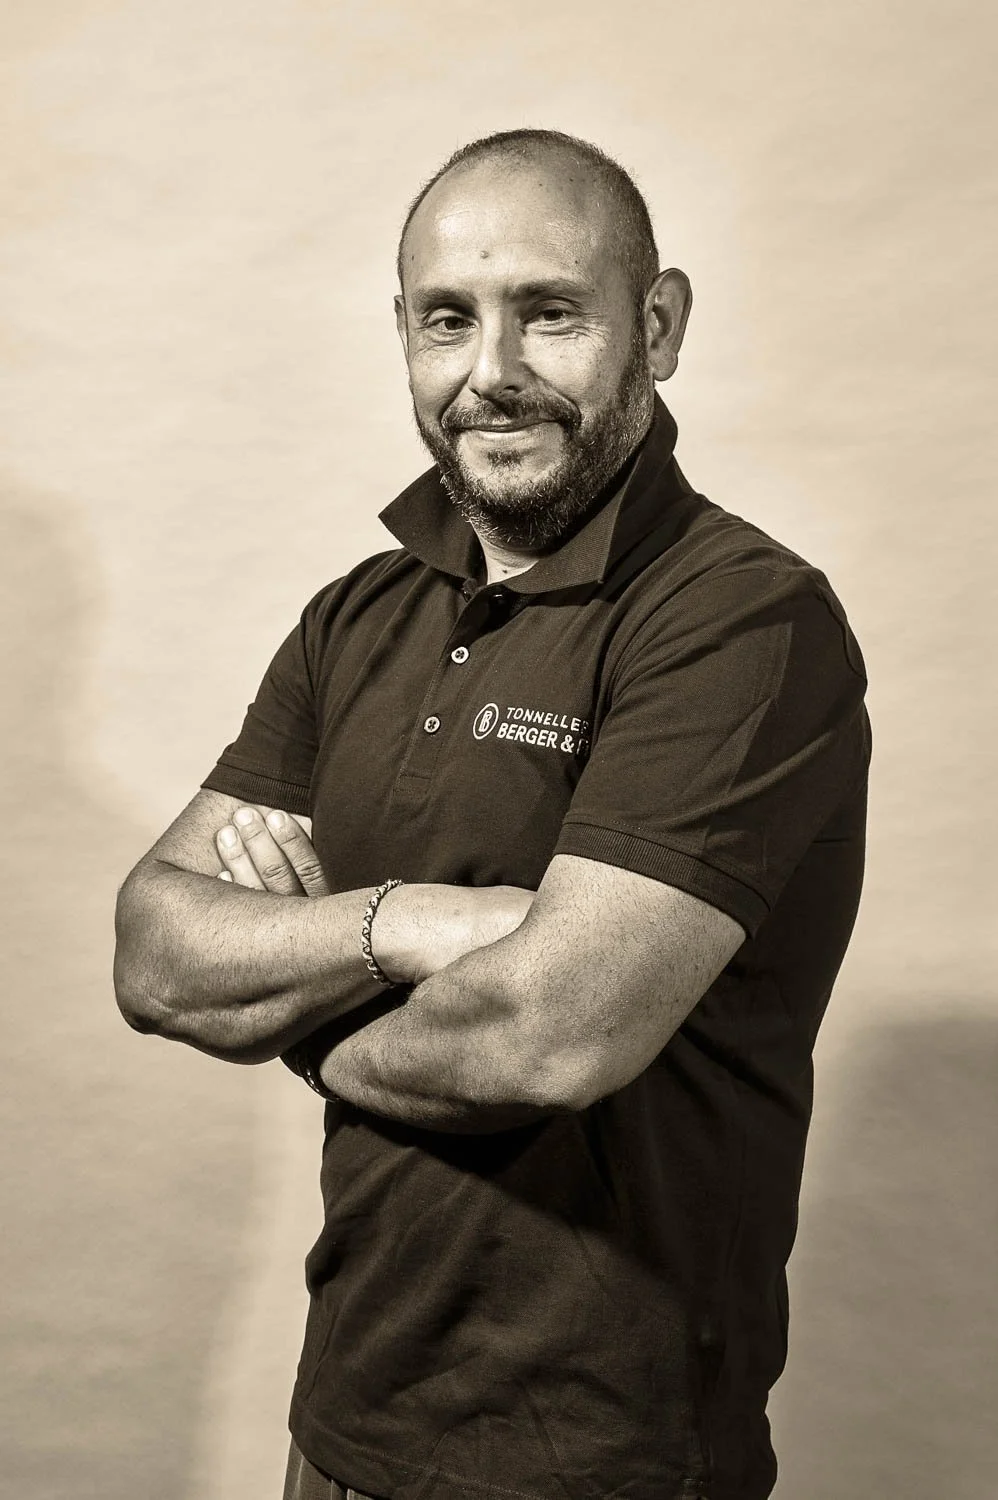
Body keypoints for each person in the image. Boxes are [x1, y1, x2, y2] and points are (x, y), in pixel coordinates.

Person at [114, 128, 870, 1500]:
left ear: (658, 323)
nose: (490, 372)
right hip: (343, 1420)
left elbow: (548, 1033)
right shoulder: (357, 615)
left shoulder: (740, 622)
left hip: (605, 1457)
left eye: (551, 312)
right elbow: (155, 954)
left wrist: (289, 1008)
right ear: (402, 332)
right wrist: (413, 926)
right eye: (446, 319)